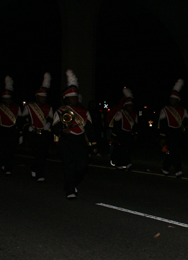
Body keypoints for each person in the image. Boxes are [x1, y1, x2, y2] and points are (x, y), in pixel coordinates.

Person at [52, 70, 97, 199]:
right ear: (67, 99)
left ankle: (71, 184)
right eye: (72, 97)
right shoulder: (60, 111)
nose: (74, 99)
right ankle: (70, 189)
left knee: (83, 166)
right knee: (69, 165)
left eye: (76, 96)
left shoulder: (84, 112)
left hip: (80, 141)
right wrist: (62, 130)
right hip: (66, 141)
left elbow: (90, 129)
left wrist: (94, 144)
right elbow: (54, 127)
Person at [23, 73, 54, 182]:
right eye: (42, 97)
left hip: (44, 134)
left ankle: (37, 170)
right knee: (37, 154)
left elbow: (50, 118)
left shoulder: (49, 107)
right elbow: (24, 119)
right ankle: (38, 172)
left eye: (45, 97)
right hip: (33, 134)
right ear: (37, 97)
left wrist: (48, 124)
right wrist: (28, 127)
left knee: (43, 155)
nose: (44, 99)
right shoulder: (29, 106)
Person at [158, 79, 188, 178]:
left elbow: (186, 123)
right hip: (168, 133)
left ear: (178, 100)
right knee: (173, 152)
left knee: (172, 152)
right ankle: (178, 171)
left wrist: (185, 133)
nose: (172, 101)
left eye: (174, 99)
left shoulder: (183, 110)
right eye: (171, 99)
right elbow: (162, 124)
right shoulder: (165, 109)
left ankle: (165, 168)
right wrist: (162, 137)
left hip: (178, 133)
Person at [0, 76, 21, 175]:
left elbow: (19, 121)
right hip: (2, 131)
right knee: (4, 150)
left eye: (8, 99)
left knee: (11, 150)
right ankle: (6, 166)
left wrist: (20, 134)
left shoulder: (17, 107)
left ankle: (8, 165)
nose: (7, 100)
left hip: (13, 131)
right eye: (5, 99)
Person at [108, 88, 138, 170]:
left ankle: (127, 162)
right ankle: (119, 163)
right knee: (121, 150)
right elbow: (116, 125)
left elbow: (135, 126)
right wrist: (114, 136)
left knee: (127, 149)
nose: (131, 107)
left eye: (131, 106)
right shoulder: (120, 113)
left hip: (128, 134)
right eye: (129, 106)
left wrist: (135, 134)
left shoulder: (134, 115)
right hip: (121, 134)